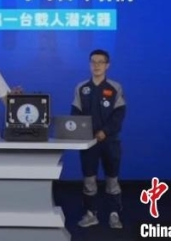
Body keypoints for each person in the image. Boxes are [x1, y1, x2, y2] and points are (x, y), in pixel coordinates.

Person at [71, 49, 126, 229]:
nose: (96, 65)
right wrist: (82, 133)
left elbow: (119, 114)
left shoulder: (115, 87)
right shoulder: (81, 88)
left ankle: (114, 214)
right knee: (89, 180)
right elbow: (75, 114)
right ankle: (90, 213)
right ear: (89, 64)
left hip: (110, 142)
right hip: (89, 143)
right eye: (93, 62)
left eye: (100, 62)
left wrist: (105, 131)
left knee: (112, 180)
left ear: (107, 65)